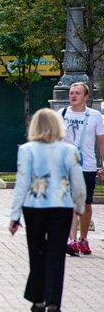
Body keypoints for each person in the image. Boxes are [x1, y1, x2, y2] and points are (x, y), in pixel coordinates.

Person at [9, 108, 85, 312]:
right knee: (57, 255)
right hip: (61, 206)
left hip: (34, 206)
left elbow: (22, 183)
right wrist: (79, 207)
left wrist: (14, 216)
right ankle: (54, 303)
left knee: (37, 253)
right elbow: (78, 183)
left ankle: (38, 299)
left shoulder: (26, 150)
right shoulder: (69, 150)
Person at [58, 82, 104, 256]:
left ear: (86, 97)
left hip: (87, 166)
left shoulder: (94, 116)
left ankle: (83, 239)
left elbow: (101, 142)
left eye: (77, 93)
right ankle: (71, 241)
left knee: (85, 204)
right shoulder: (61, 114)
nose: (73, 96)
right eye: (71, 93)